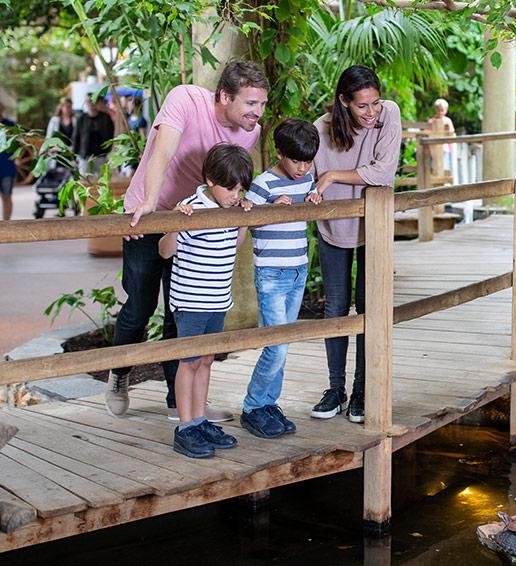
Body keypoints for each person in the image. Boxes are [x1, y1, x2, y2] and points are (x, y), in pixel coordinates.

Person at [107, 60, 268, 422]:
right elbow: (162, 152)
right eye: (250, 104)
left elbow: (232, 176)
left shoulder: (249, 132)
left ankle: (177, 400)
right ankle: (118, 373)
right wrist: (149, 204)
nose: (257, 113)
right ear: (225, 96)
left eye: (261, 105)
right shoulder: (186, 99)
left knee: (181, 314)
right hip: (151, 216)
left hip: (195, 224)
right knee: (140, 306)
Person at [310, 65, 402, 423]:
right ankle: (336, 388)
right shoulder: (321, 129)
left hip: (373, 226)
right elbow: (303, 174)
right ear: (344, 102)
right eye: (362, 106)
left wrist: (332, 175)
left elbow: (382, 172)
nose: (371, 113)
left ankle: (363, 389)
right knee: (335, 307)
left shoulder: (387, 115)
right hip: (333, 227)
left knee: (367, 307)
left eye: (374, 103)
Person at [157, 144, 254, 458]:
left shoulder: (231, 209)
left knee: (207, 360)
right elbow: (164, 251)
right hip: (191, 301)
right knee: (189, 362)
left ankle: (199, 420)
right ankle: (185, 427)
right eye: (230, 187)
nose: (235, 194)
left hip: (217, 300)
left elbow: (236, 246)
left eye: (241, 189)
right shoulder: (192, 207)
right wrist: (177, 222)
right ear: (211, 180)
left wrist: (243, 219)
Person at [239, 118, 322, 438]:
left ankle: (268, 403)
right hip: (271, 272)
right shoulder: (264, 184)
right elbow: (251, 223)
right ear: (279, 153)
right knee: (277, 345)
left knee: (283, 342)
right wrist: (270, 207)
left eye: (307, 161)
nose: (302, 168)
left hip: (298, 269)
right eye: (295, 160)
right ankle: (252, 406)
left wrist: (315, 196)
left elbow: (312, 195)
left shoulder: (307, 179)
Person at [74, 93, 116, 177]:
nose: (90, 104)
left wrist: (110, 152)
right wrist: (74, 157)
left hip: (101, 156)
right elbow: (76, 137)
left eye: (91, 101)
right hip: (85, 157)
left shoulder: (105, 117)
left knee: (103, 181)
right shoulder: (81, 119)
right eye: (87, 101)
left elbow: (111, 136)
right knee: (84, 182)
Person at [426, 98, 455, 177]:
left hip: (444, 146)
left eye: (442, 110)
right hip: (433, 147)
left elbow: (452, 132)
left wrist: (448, 130)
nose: (440, 112)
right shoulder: (431, 121)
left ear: (446, 110)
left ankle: (443, 180)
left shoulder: (448, 121)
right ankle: (435, 178)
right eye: (439, 110)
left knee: (444, 165)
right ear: (436, 110)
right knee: (434, 165)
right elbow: (427, 132)